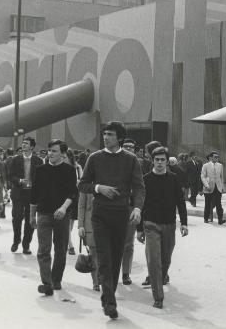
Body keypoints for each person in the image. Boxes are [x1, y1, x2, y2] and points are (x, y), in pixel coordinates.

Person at [78, 121, 145, 320]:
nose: (105, 137)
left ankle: (108, 295)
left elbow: (139, 187)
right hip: (100, 216)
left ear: (119, 138)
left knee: (116, 259)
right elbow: (83, 185)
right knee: (105, 258)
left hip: (121, 215)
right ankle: (109, 302)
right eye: (104, 134)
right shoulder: (95, 158)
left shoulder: (130, 159)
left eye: (110, 134)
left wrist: (138, 208)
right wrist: (99, 188)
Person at [137, 146, 188, 309]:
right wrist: (139, 229)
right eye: (157, 160)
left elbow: (180, 202)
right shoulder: (145, 179)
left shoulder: (173, 179)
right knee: (153, 260)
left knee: (165, 259)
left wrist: (184, 223)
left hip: (169, 224)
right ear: (153, 161)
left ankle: (163, 276)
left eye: (162, 160)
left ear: (167, 162)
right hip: (150, 224)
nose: (159, 162)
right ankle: (158, 296)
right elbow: (140, 204)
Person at [30, 139, 78, 296]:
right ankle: (47, 282)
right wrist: (32, 216)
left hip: (62, 215)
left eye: (54, 151)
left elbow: (73, 193)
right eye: (49, 150)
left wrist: (63, 208)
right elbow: (34, 195)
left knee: (60, 248)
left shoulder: (70, 170)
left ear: (63, 154)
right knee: (43, 249)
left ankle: (56, 279)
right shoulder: (40, 170)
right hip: (43, 214)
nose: (50, 153)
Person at [8, 136, 44, 254]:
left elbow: (41, 178)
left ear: (32, 147)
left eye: (26, 143)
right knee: (16, 218)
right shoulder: (15, 159)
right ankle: (16, 240)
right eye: (23, 143)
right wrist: (19, 181)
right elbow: (11, 175)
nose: (23, 145)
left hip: (32, 194)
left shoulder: (38, 161)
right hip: (18, 193)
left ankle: (26, 244)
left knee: (30, 220)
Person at [120, 138, 139, 286]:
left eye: (131, 147)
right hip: (114, 207)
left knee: (128, 242)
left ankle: (126, 272)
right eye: (126, 146)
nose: (128, 149)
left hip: (131, 207)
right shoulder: (114, 162)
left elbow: (142, 188)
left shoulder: (140, 164)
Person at [78, 183, 100, 291]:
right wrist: (81, 226)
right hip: (90, 225)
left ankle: (103, 278)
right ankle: (96, 282)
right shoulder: (86, 184)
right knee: (93, 254)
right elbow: (81, 206)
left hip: (105, 224)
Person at [201, 151, 226, 225]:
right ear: (211, 157)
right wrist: (206, 185)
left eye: (217, 157)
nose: (217, 158)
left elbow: (221, 177)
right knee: (207, 203)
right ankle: (206, 218)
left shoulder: (220, 165)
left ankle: (220, 219)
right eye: (215, 157)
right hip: (208, 187)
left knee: (219, 204)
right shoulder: (205, 165)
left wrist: (222, 187)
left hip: (218, 187)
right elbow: (203, 176)